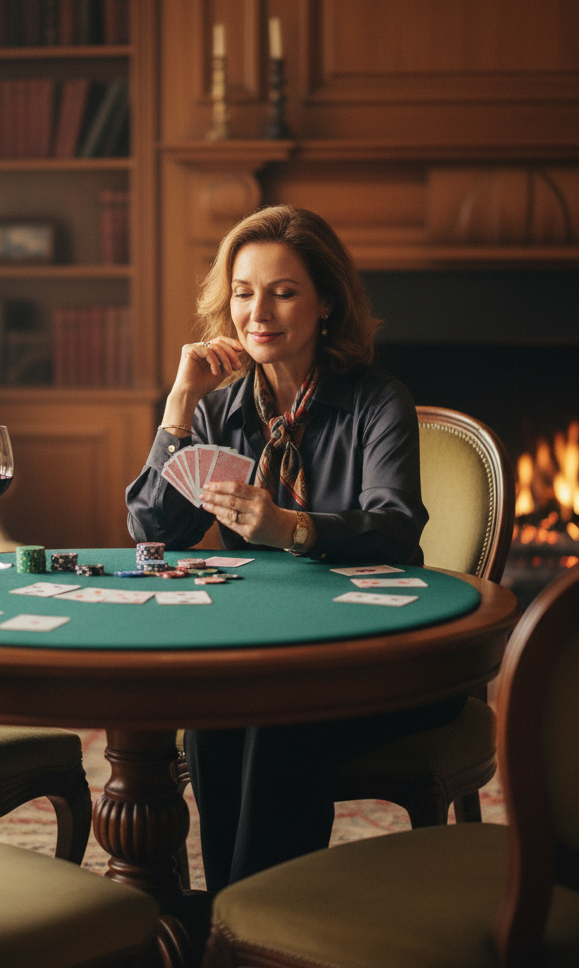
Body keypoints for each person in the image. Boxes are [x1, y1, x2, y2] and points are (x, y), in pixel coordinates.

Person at [125, 205, 464, 891]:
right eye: (244, 292)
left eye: (283, 291)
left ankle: (262, 929)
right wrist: (179, 405)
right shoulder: (220, 409)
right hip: (260, 661)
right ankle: (229, 917)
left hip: (379, 665)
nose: (259, 312)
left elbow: (396, 530)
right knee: (218, 719)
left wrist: (291, 528)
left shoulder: (378, 402)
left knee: (281, 721)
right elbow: (154, 530)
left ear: (327, 303)